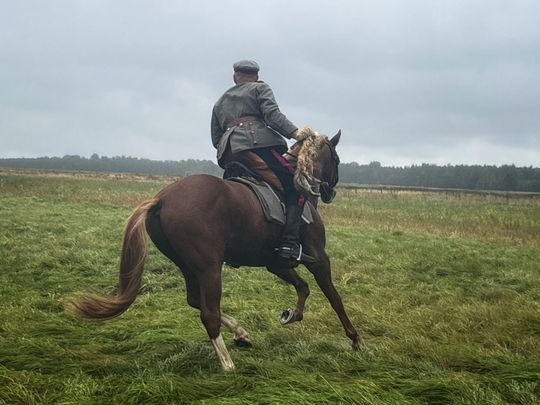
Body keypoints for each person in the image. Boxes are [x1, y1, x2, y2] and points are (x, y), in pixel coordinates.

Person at [211, 60, 313, 266]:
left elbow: (215, 137)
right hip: (256, 146)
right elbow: (272, 116)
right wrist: (297, 134)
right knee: (296, 186)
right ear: (256, 76)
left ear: (235, 77)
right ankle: (289, 243)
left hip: (230, 153)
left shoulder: (220, 101)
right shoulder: (260, 88)